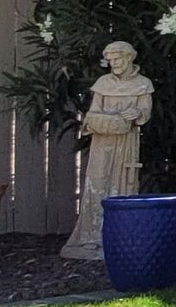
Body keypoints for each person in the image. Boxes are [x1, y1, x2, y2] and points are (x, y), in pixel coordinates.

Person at [60, 41, 154, 261]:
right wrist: (103, 121)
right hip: (103, 142)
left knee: (124, 184)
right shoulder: (103, 83)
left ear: (129, 58)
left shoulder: (143, 84)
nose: (114, 64)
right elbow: (93, 114)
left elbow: (145, 112)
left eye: (117, 59)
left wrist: (137, 114)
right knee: (98, 182)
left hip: (127, 143)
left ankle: (121, 237)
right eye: (110, 60)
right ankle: (91, 236)